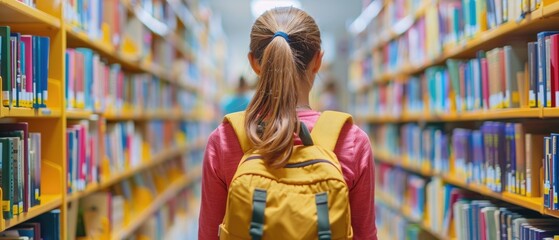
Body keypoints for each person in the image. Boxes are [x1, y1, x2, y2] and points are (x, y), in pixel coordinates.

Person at [199, 7, 377, 240]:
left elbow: (208, 235)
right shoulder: (352, 141)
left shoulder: (225, 140)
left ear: (254, 63)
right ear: (318, 61)